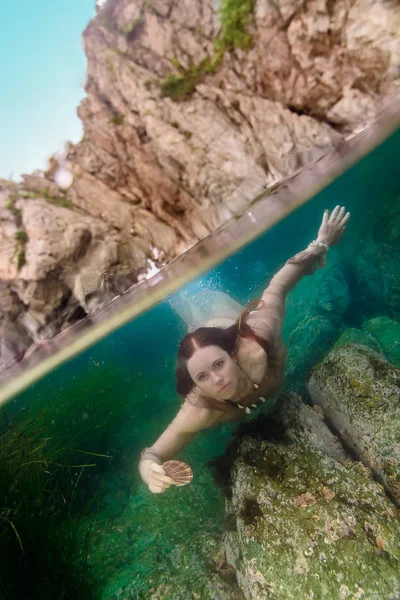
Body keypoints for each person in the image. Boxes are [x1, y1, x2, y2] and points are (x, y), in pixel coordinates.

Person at [139, 206, 350, 493]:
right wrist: (149, 472)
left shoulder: (258, 335)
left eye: (218, 365)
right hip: (201, 333)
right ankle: (173, 291)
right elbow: (153, 453)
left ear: (232, 354)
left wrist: (320, 243)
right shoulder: (200, 407)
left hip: (221, 314)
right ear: (195, 384)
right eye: (202, 377)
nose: (216, 380)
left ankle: (186, 286)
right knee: (187, 311)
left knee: (203, 298)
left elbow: (277, 286)